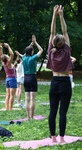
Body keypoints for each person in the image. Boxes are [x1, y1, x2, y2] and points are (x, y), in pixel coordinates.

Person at [46, 5, 74, 143]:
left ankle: (53, 138)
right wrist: (61, 16)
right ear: (64, 42)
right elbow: (65, 30)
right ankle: (62, 138)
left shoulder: (51, 50)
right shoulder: (66, 51)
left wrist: (54, 15)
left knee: (53, 112)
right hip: (65, 83)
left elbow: (52, 33)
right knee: (63, 112)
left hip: (54, 82)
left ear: (53, 43)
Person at [16, 35, 43, 119]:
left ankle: (28, 116)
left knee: (27, 99)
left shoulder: (23, 58)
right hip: (32, 78)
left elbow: (26, 51)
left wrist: (31, 43)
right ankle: (32, 116)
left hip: (26, 78)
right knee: (32, 99)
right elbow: (41, 50)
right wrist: (35, 42)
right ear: (31, 52)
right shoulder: (33, 58)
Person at [0, 42, 17, 110]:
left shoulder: (4, 63)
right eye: (7, 55)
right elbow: (12, 54)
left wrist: (1, 48)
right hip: (12, 79)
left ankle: (7, 108)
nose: (8, 55)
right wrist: (8, 46)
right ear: (7, 59)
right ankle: (11, 108)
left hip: (7, 79)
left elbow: (1, 55)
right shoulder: (8, 63)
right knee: (12, 95)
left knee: (8, 95)